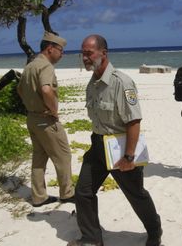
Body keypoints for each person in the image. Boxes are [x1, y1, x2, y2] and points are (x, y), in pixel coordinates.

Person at [68, 34, 162, 246]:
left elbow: (134, 122)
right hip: (98, 146)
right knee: (83, 192)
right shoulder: (92, 84)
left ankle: (155, 231)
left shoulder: (122, 82)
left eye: (89, 53)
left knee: (136, 194)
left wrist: (129, 156)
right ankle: (92, 238)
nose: (84, 57)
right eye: (83, 53)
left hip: (121, 148)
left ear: (103, 53)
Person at [17, 32, 75, 207]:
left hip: (32, 118)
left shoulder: (30, 65)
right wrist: (53, 110)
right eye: (61, 50)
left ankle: (38, 196)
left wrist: (31, 104)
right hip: (45, 119)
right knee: (63, 156)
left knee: (39, 157)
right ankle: (67, 194)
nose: (62, 54)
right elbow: (47, 90)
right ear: (50, 49)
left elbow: (19, 90)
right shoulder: (46, 66)